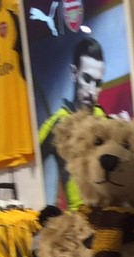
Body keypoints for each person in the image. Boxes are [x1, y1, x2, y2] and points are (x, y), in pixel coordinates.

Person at [38, 37, 107, 210]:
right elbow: (32, 167)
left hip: (109, 213)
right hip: (78, 219)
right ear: (74, 73)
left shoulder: (103, 117)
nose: (91, 91)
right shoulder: (57, 123)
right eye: (87, 79)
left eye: (97, 83)